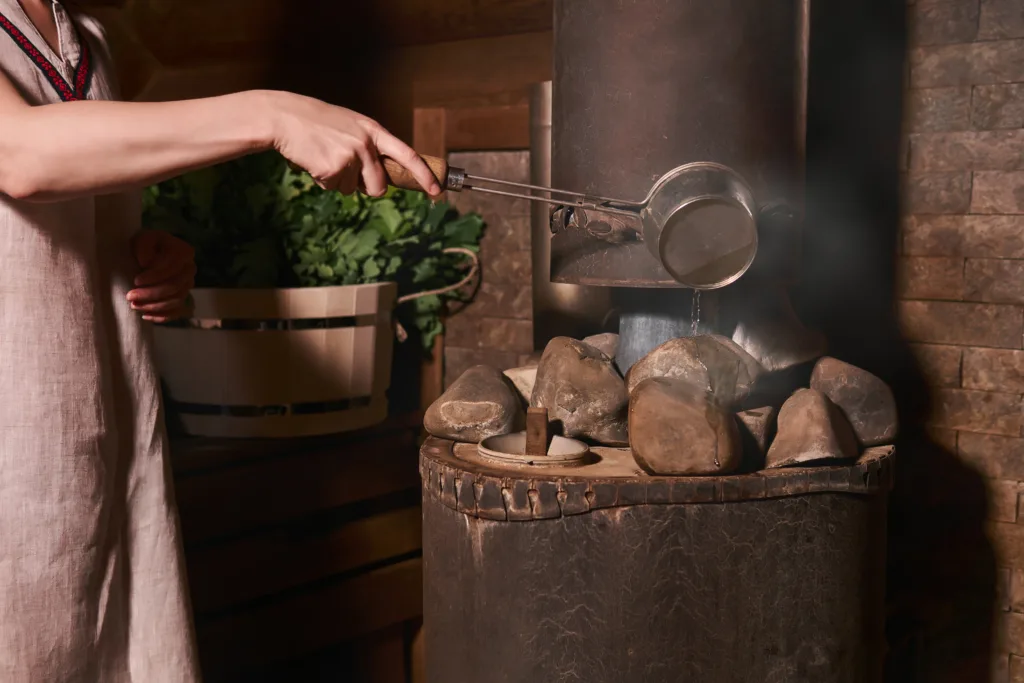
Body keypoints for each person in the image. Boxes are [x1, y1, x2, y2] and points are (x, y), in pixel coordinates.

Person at [0, 1, 441, 681]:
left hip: (97, 453)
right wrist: (271, 114)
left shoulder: (85, 33)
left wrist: (142, 254)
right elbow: (18, 152)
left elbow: (58, 214)